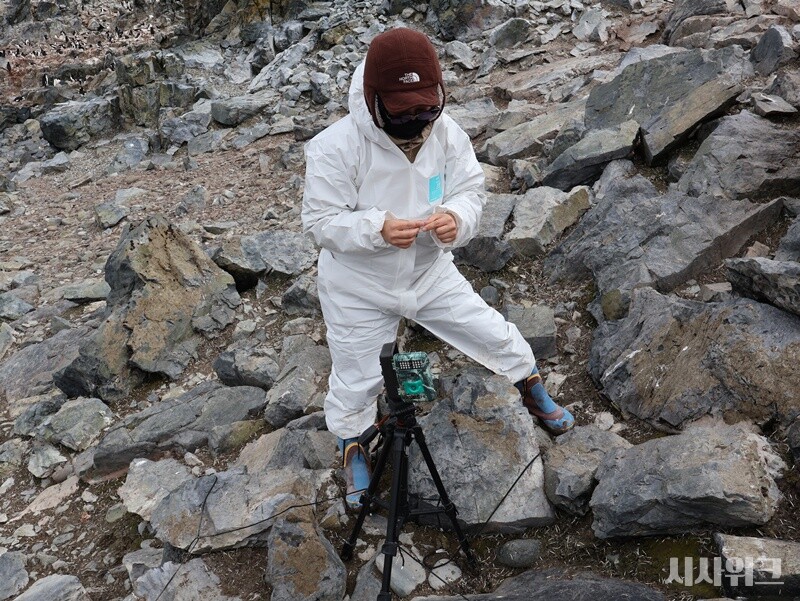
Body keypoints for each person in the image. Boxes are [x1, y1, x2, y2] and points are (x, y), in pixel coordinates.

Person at [301, 27, 574, 509]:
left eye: (428, 107)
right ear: (373, 99)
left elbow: (470, 190)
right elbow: (320, 224)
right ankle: (353, 445)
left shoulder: (447, 133)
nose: (418, 120)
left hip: (428, 272)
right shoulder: (334, 146)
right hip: (356, 285)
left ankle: (530, 386)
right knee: (356, 375)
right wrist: (376, 228)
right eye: (403, 112)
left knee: (491, 331)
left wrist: (457, 219)